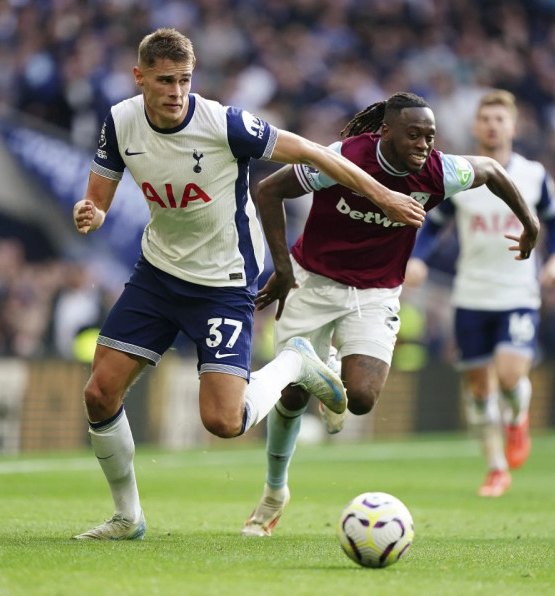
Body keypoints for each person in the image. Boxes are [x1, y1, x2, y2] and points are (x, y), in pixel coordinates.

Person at [70, 28, 427, 541]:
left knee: (223, 421)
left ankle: (297, 362)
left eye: (185, 80)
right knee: (99, 393)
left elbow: (312, 152)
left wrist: (385, 197)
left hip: (224, 280)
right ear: (139, 77)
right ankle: (128, 516)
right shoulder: (121, 120)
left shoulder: (225, 123)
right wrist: (92, 212)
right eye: (165, 80)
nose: (176, 92)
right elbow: (99, 197)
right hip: (158, 274)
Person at [241, 92, 540, 537]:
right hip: (314, 280)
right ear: (386, 132)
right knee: (292, 398)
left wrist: (530, 223)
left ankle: (323, 375)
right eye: (414, 135)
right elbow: (268, 190)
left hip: (376, 292)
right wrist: (282, 269)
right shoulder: (342, 159)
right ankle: (274, 491)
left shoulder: (440, 171)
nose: (424, 145)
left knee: (361, 399)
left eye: (431, 136)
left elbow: (493, 171)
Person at [406, 89, 555, 497]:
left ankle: (518, 419)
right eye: (486, 119)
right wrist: (419, 258)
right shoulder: (461, 174)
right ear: (476, 126)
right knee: (479, 388)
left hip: (517, 293)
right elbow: (434, 223)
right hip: (470, 295)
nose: (493, 125)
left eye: (500, 119)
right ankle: (496, 469)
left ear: (513, 126)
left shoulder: (533, 175)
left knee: (511, 375)